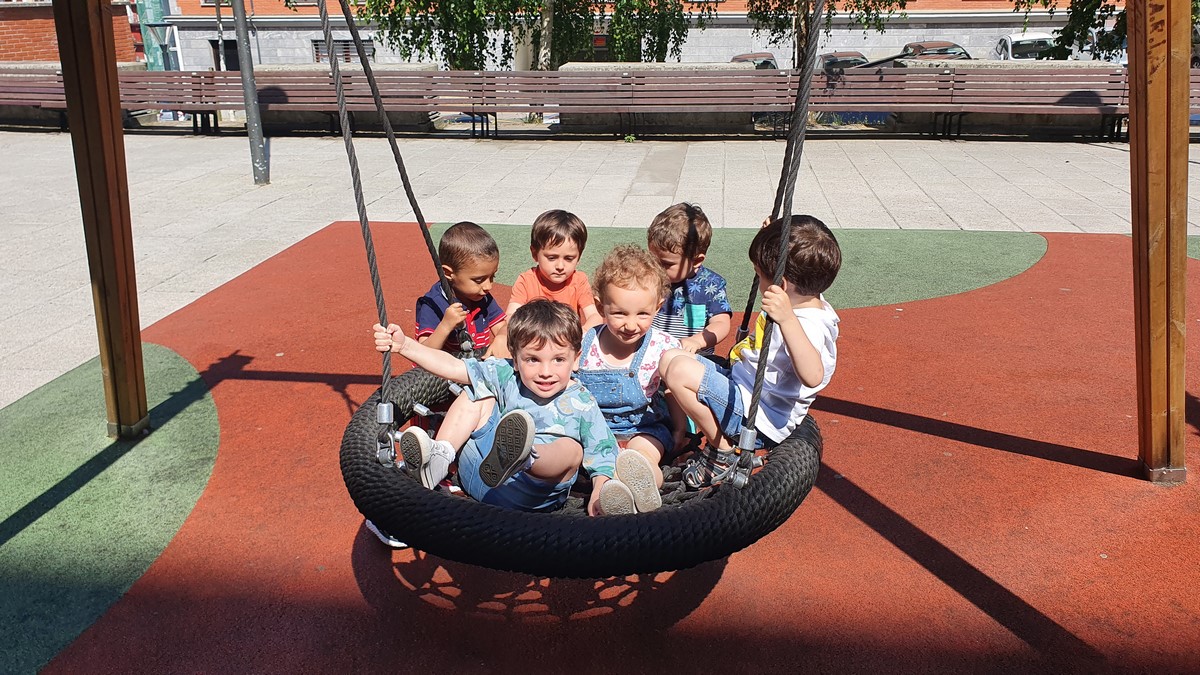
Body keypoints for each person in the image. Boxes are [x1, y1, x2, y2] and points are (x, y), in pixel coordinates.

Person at [372, 299, 622, 515]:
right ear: (515, 358)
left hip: (530, 493)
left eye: (558, 359)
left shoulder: (582, 401)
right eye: (533, 360)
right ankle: (440, 457)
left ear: (576, 359)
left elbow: (602, 453)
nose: (545, 372)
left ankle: (525, 457)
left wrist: (599, 493)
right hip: (480, 469)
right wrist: (405, 346)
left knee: (572, 450)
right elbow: (454, 368)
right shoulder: (506, 374)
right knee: (477, 392)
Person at [659, 215, 841, 488]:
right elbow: (803, 255)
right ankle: (689, 434)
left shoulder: (808, 324)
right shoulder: (805, 296)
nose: (758, 278)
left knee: (678, 371)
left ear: (781, 286)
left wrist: (787, 320)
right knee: (670, 357)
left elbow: (813, 375)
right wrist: (773, 237)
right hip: (741, 384)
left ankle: (721, 452)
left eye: (759, 273)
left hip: (756, 418)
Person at [576, 245, 683, 515]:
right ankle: (611, 494)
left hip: (643, 427)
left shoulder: (662, 346)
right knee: (592, 459)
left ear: (657, 307)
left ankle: (644, 486)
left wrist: (680, 429)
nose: (631, 324)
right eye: (620, 313)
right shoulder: (585, 344)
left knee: (644, 456)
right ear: (600, 306)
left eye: (642, 314)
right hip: (595, 430)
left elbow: (673, 391)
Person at [646, 203, 733, 356]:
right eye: (652, 259)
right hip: (652, 354)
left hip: (692, 357)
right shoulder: (647, 277)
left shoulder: (711, 284)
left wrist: (697, 341)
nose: (656, 267)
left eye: (666, 264)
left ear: (696, 261)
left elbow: (721, 323)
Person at [415, 221, 506, 356]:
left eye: (493, 276)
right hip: (444, 367)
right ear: (448, 273)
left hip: (474, 363)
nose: (488, 286)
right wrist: (445, 326)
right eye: (479, 280)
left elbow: (502, 327)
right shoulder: (433, 304)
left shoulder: (482, 297)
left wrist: (502, 337)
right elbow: (423, 353)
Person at [505, 209, 602, 332]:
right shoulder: (526, 281)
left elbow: (594, 316)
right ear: (534, 253)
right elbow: (510, 317)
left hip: (568, 341)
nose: (560, 266)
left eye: (569, 258)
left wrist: (582, 332)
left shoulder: (579, 281)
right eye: (552, 258)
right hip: (535, 339)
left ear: (579, 257)